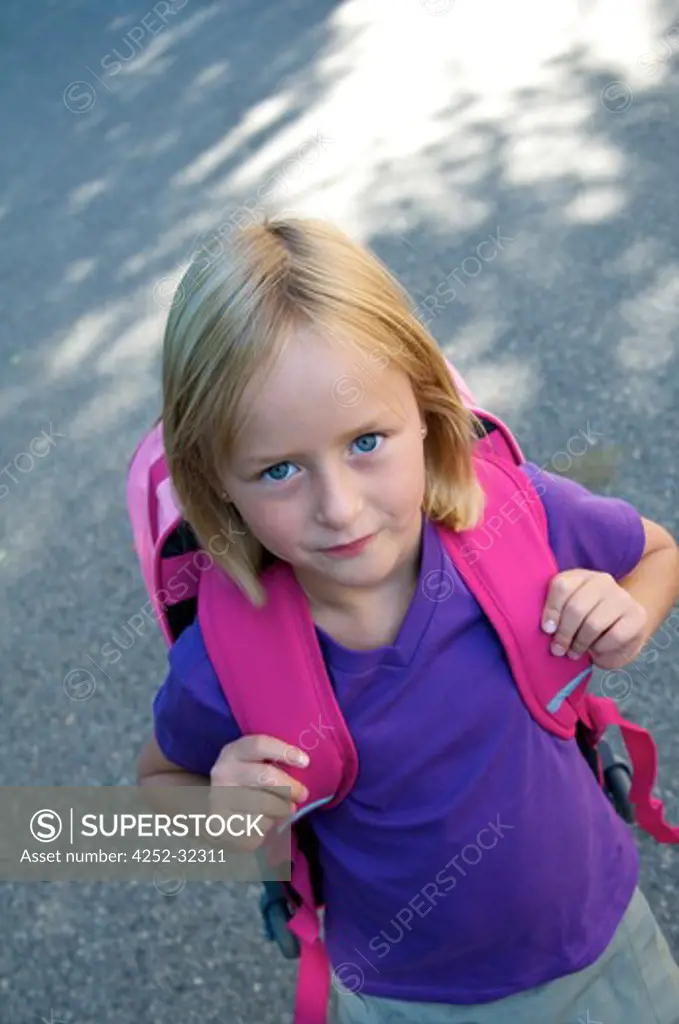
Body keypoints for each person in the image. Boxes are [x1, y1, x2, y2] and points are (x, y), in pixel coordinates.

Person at [137, 216, 679, 1023]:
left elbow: (657, 553)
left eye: (366, 441)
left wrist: (630, 611)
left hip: (602, 948)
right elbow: (156, 787)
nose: (338, 507)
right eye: (278, 469)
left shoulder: (518, 517)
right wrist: (216, 813)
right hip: (405, 999)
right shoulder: (226, 656)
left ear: (425, 411)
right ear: (215, 485)